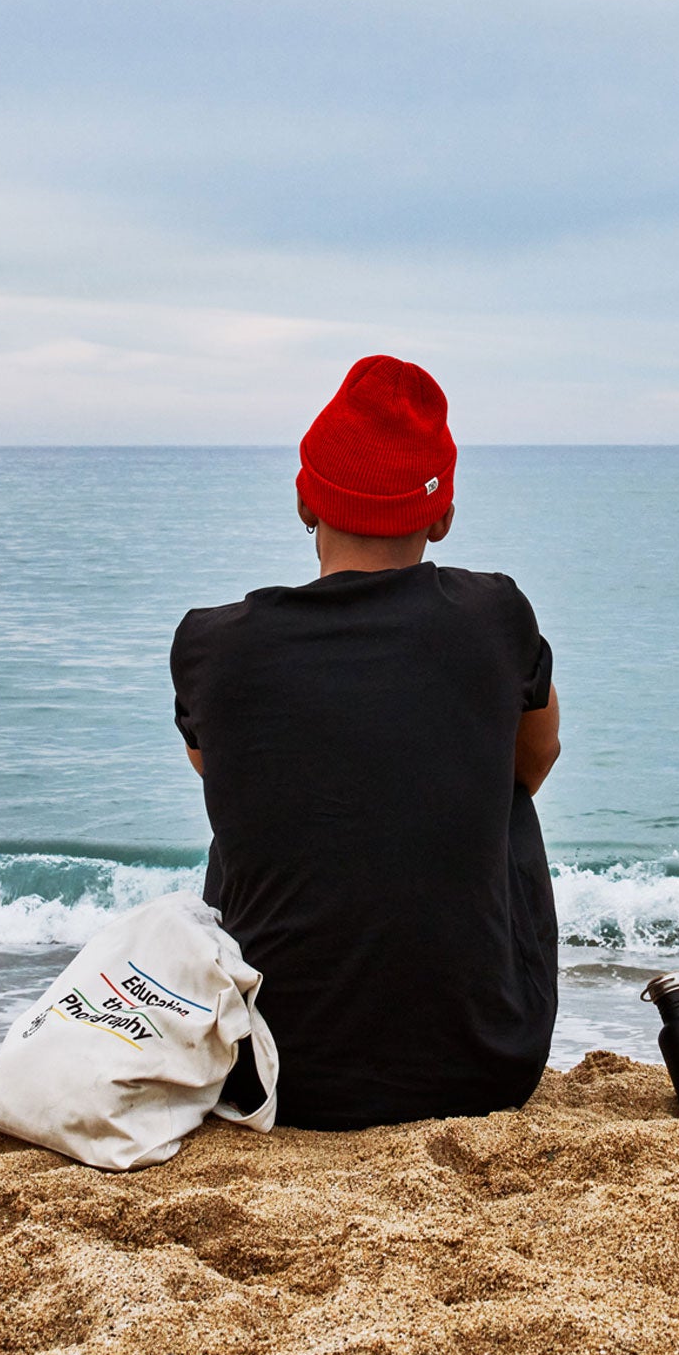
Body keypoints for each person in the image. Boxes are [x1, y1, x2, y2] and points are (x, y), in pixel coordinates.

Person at [170, 355, 560, 1130]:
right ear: (441, 516)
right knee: (502, 793)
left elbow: (219, 778)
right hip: (484, 1065)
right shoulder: (495, 617)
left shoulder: (215, 645)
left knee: (260, 803)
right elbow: (538, 757)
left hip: (271, 1072)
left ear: (303, 500)